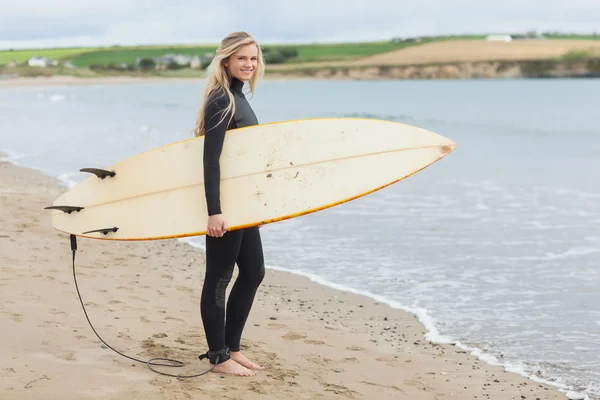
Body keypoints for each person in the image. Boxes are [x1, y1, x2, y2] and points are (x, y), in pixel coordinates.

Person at [192, 31, 266, 377]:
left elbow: (242, 160)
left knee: (253, 272)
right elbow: (212, 160)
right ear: (226, 61)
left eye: (253, 58)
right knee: (219, 278)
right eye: (242, 58)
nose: (249, 64)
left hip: (243, 203)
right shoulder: (221, 99)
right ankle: (218, 357)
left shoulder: (239, 96)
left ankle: (231, 348)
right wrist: (214, 211)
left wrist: (259, 205)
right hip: (225, 206)